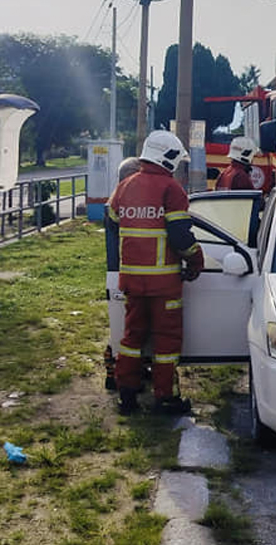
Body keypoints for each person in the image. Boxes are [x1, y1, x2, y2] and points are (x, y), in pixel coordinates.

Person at [108, 130, 204, 415]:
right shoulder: (171, 188)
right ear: (169, 157)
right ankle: (165, 397)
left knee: (132, 337)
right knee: (166, 340)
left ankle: (127, 394)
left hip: (132, 280)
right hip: (164, 283)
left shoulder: (125, 186)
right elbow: (180, 234)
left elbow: (113, 222)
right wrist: (196, 261)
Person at [103, 156, 144, 391]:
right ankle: (115, 371)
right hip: (125, 275)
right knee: (125, 330)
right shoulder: (122, 203)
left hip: (122, 275)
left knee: (123, 328)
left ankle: (119, 371)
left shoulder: (117, 200)